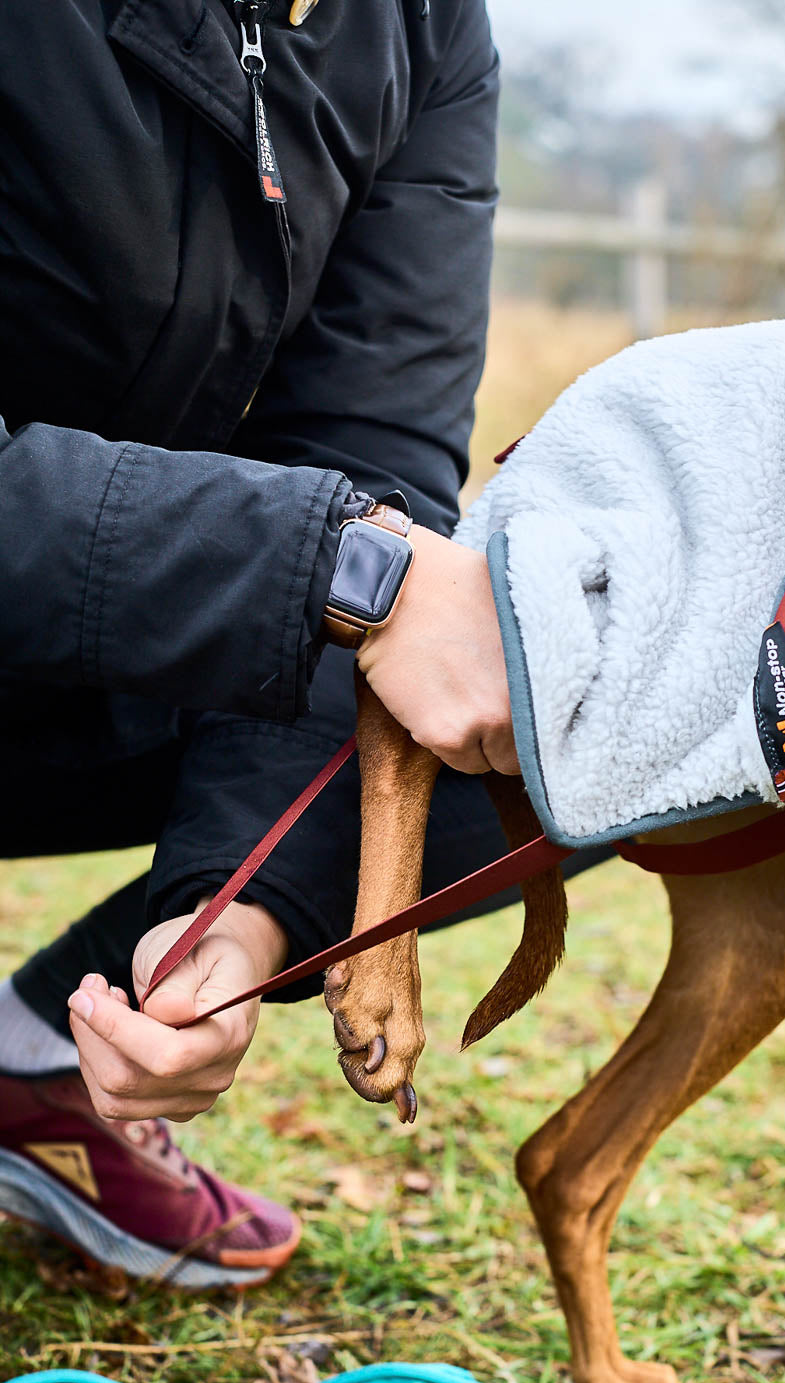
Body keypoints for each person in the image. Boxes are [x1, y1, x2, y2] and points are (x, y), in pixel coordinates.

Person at [0, 0, 536, 1290]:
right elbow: (347, 548)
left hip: (93, 639)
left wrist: (223, 928)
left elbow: (367, 458)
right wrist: (340, 567)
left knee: (561, 703)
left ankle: (38, 1061)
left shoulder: (423, 34)